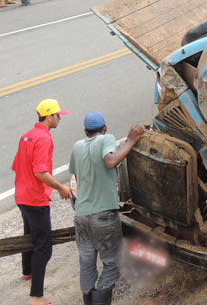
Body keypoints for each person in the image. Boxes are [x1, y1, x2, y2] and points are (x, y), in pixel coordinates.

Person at [69, 112, 144, 305]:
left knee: (86, 263)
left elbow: (77, 178)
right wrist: (132, 140)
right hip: (103, 216)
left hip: (81, 216)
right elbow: (110, 161)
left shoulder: (77, 147)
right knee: (112, 263)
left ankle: (89, 300)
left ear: (86, 131)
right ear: (105, 129)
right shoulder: (107, 139)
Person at [12, 99, 72, 305]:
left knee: (29, 234)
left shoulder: (26, 136)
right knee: (43, 246)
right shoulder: (44, 139)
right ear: (49, 117)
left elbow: (17, 166)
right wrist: (61, 188)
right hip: (36, 200)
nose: (60, 118)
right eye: (58, 115)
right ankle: (36, 296)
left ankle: (26, 272)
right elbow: (40, 172)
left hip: (21, 195)